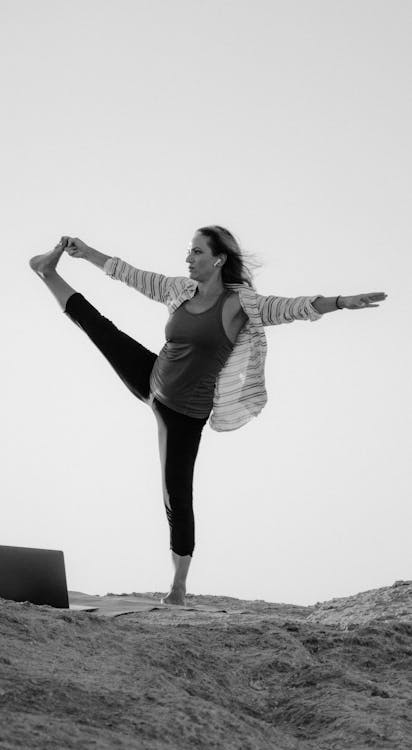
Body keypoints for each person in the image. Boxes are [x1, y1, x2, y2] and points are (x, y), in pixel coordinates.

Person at [29, 225, 387, 606]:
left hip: (183, 413)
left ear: (218, 260)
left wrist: (342, 302)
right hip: (152, 378)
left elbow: (292, 308)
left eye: (196, 252)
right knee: (98, 326)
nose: (188, 258)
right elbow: (129, 273)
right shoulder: (178, 290)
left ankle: (178, 587)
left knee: (175, 495)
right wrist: (86, 253)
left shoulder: (241, 304)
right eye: (188, 251)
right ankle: (47, 272)